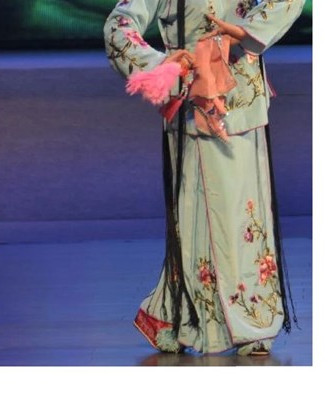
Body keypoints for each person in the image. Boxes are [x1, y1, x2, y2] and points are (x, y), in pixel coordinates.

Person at [104, 0, 304, 355]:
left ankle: (252, 321)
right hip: (192, 101)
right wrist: (161, 67)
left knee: (243, 215)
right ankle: (184, 317)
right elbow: (118, 25)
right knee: (194, 215)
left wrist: (244, 32)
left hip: (241, 100)